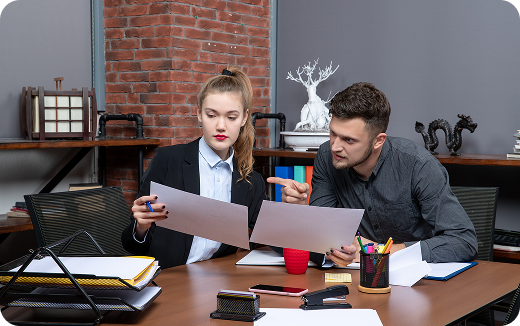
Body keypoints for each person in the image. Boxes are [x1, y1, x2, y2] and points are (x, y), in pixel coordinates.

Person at [268, 82, 477, 267]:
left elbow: (463, 241)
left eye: (349, 140)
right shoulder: (326, 156)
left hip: (418, 283)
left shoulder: (418, 164)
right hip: (354, 281)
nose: (335, 146)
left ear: (378, 140)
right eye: (333, 133)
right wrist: (301, 210)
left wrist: (377, 252)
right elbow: (325, 232)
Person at [121, 67, 267, 269]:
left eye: (231, 117)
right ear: (199, 114)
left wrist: (294, 206)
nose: (221, 126)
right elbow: (131, 245)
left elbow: (274, 238)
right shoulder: (168, 161)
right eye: (211, 115)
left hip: (218, 279)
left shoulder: (250, 180)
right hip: (169, 281)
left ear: (244, 118)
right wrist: (140, 227)